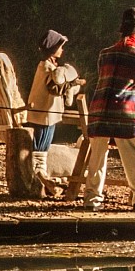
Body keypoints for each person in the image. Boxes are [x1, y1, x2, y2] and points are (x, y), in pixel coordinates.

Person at [83, 6, 135, 212]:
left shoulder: (104, 55)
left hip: (99, 115)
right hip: (127, 116)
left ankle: (91, 201)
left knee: (96, 160)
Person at [24, 30, 79, 196]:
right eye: (60, 47)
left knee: (44, 148)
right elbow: (56, 85)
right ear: (53, 49)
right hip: (44, 114)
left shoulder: (49, 66)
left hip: (49, 113)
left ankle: (42, 179)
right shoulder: (47, 67)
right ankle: (38, 180)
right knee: (40, 148)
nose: (62, 50)